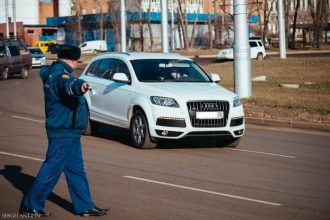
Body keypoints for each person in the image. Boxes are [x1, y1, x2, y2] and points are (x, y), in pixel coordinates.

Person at [20, 44, 109, 217]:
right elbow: (69, 86)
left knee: (76, 170)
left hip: (70, 131)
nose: (77, 64)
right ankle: (31, 206)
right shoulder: (60, 75)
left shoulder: (57, 72)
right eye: (77, 61)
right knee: (51, 169)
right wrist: (80, 87)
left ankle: (85, 206)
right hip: (63, 131)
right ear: (73, 60)